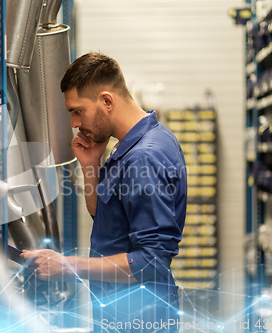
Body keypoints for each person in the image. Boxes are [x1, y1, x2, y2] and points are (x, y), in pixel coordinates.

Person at [21, 52, 187, 332]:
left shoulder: (144, 157)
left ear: (106, 101)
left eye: (77, 111)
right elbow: (105, 215)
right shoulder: (129, 146)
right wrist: (90, 165)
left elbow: (152, 261)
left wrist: (68, 266)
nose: (74, 123)